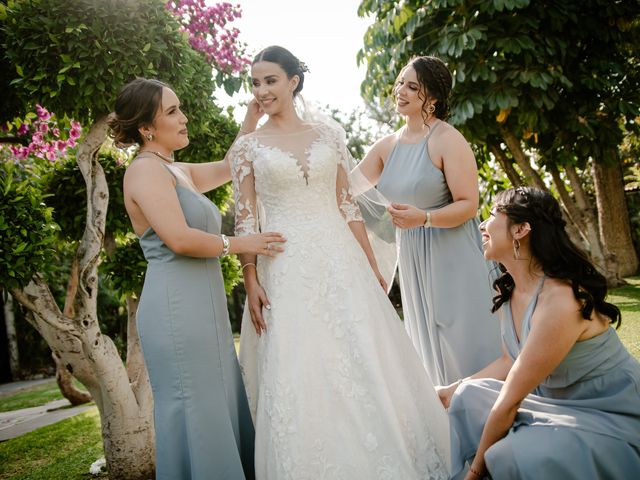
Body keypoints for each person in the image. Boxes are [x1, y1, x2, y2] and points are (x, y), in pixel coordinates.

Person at [229, 46, 450, 479]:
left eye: (270, 80)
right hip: (284, 263)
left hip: (340, 258)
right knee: (301, 363)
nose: (261, 90)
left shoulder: (329, 134)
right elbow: (245, 218)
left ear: (293, 81)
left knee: (364, 356)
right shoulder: (247, 148)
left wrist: (371, 267)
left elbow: (347, 205)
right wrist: (250, 277)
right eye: (255, 83)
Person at [109, 78, 287, 480]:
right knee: (197, 410)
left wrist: (250, 120)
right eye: (172, 112)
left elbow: (229, 167)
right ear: (146, 128)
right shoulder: (143, 172)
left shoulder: (176, 170)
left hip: (204, 313)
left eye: (180, 108)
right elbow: (179, 239)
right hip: (177, 313)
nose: (184, 118)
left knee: (219, 404)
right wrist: (243, 242)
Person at [437, 186, 640, 479]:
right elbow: (510, 362)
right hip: (555, 403)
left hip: (609, 412)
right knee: (467, 394)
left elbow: (510, 401)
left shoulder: (560, 299)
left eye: (492, 215)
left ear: (520, 230)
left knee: (506, 454)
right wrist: (449, 390)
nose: (482, 224)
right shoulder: (511, 292)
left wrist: (475, 472)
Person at [351, 56, 501, 386]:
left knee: (462, 339)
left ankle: (487, 411)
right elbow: (346, 191)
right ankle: (449, 419)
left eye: (412, 86)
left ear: (432, 98)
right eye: (400, 83)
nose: (400, 91)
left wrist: (425, 218)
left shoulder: (447, 139)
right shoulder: (386, 147)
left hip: (454, 255)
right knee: (427, 340)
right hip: (413, 259)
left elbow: (469, 204)